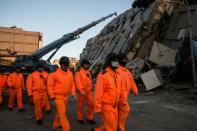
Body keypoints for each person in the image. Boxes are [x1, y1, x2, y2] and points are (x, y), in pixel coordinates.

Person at [93, 53, 122, 131]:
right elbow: (98, 93)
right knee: (112, 127)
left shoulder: (117, 75)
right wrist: (97, 108)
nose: (117, 63)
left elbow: (118, 90)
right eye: (114, 61)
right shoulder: (103, 76)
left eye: (117, 61)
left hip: (115, 106)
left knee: (111, 124)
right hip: (107, 107)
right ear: (109, 62)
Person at [48, 56, 75, 131]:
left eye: (66, 64)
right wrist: (52, 95)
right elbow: (50, 85)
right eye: (63, 64)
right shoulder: (55, 74)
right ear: (60, 64)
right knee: (62, 112)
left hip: (66, 96)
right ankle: (66, 128)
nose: (65, 66)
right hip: (58, 97)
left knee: (60, 112)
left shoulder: (70, 73)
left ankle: (56, 124)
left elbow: (72, 83)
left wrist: (72, 92)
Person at [117, 53, 138, 131]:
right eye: (124, 59)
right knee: (126, 110)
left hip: (124, 95)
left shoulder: (127, 71)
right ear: (119, 60)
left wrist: (135, 90)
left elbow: (131, 81)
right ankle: (120, 128)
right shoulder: (116, 70)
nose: (125, 61)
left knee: (118, 113)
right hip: (119, 96)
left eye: (126, 59)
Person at [75, 59, 95, 124]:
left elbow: (90, 81)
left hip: (88, 91)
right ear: (83, 65)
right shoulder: (78, 73)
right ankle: (80, 118)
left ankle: (90, 118)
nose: (87, 66)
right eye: (86, 65)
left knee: (91, 104)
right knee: (80, 105)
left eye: (88, 65)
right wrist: (81, 90)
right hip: (82, 92)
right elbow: (78, 82)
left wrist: (91, 88)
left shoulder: (88, 72)